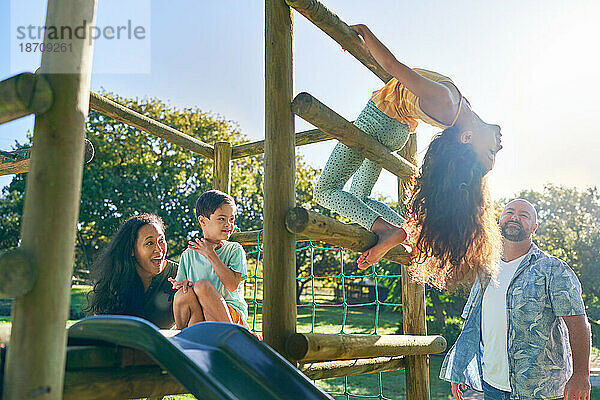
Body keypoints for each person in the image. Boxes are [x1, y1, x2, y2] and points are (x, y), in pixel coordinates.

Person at [313, 23, 503, 286]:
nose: (500, 146)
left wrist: (365, 34)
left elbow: (393, 66)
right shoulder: (461, 110)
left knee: (325, 190)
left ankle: (383, 229)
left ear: (467, 138)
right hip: (395, 130)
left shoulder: (447, 102)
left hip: (379, 121)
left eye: (492, 152)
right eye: (494, 152)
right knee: (358, 197)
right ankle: (405, 229)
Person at [440, 199, 591, 400]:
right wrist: (461, 367)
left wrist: (581, 375)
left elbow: (578, 324)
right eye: (509, 212)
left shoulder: (553, 269)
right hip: (492, 386)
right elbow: (474, 323)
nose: (515, 217)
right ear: (500, 221)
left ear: (534, 227)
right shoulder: (486, 269)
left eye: (524, 215)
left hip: (540, 390)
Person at [170, 190, 250, 331]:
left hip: (229, 316)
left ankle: (233, 336)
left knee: (202, 286)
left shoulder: (234, 250)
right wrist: (182, 284)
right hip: (201, 314)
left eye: (232, 219)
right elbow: (182, 286)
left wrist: (210, 254)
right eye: (222, 219)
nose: (228, 224)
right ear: (202, 221)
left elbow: (232, 285)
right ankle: (183, 339)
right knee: (183, 295)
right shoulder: (188, 254)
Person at [86, 213, 178, 329]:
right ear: (132, 250)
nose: (159, 250)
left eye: (161, 240)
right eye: (150, 243)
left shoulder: (178, 274)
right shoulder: (114, 281)